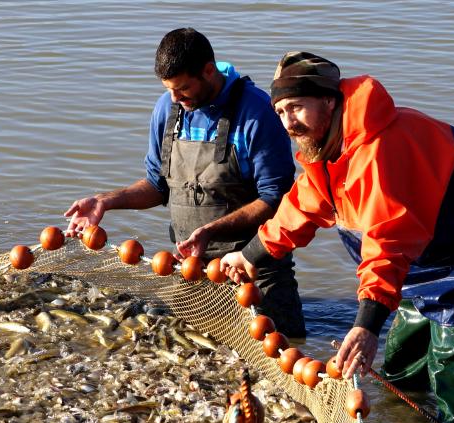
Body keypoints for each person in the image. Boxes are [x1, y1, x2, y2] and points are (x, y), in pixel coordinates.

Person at [221, 52, 454, 423]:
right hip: (417, 267)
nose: (288, 122)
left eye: (296, 107)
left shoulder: (379, 151)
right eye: (280, 111)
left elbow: (387, 241)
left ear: (328, 100)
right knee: (399, 366)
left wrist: (365, 325)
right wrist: (252, 254)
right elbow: (304, 205)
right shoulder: (325, 145)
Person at [65, 28, 306, 337]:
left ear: (209, 70)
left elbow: (277, 199)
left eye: (183, 88)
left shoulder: (258, 113)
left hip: (255, 268)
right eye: (169, 90)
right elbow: (157, 185)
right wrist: (106, 200)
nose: (176, 98)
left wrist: (211, 231)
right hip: (192, 267)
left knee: (288, 350)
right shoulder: (168, 109)